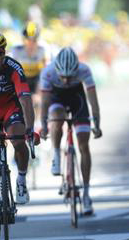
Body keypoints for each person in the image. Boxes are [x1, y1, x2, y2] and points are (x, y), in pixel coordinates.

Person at [0, 31, 38, 240]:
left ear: (4, 53)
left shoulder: (13, 67)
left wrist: (29, 129)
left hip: (9, 110)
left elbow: (26, 100)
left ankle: (21, 179)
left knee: (19, 141)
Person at [39, 47, 102, 215]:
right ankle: (57, 155)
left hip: (77, 100)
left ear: (76, 69)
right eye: (63, 76)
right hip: (56, 99)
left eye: (70, 77)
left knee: (83, 145)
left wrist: (97, 122)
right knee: (57, 120)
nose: (66, 81)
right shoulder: (48, 72)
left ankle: (87, 194)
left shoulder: (84, 70)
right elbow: (44, 103)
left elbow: (92, 99)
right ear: (56, 69)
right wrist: (44, 125)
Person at [11, 22, 47, 97]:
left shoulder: (42, 50)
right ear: (23, 40)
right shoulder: (17, 50)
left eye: (34, 41)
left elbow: (44, 73)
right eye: (28, 40)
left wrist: (39, 93)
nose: (31, 43)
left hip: (36, 79)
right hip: (22, 78)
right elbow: (12, 72)